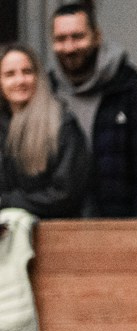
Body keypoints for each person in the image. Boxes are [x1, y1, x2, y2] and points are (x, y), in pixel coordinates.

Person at [46, 2, 137, 219]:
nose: (69, 47)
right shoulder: (45, 96)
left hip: (119, 227)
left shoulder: (130, 92)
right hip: (56, 229)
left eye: (78, 37)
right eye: (60, 39)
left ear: (97, 36)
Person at [1, 44, 90, 218]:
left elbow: (66, 194)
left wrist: (8, 202)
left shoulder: (62, 124)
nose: (20, 80)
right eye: (10, 74)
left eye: (27, 72)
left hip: (58, 234)